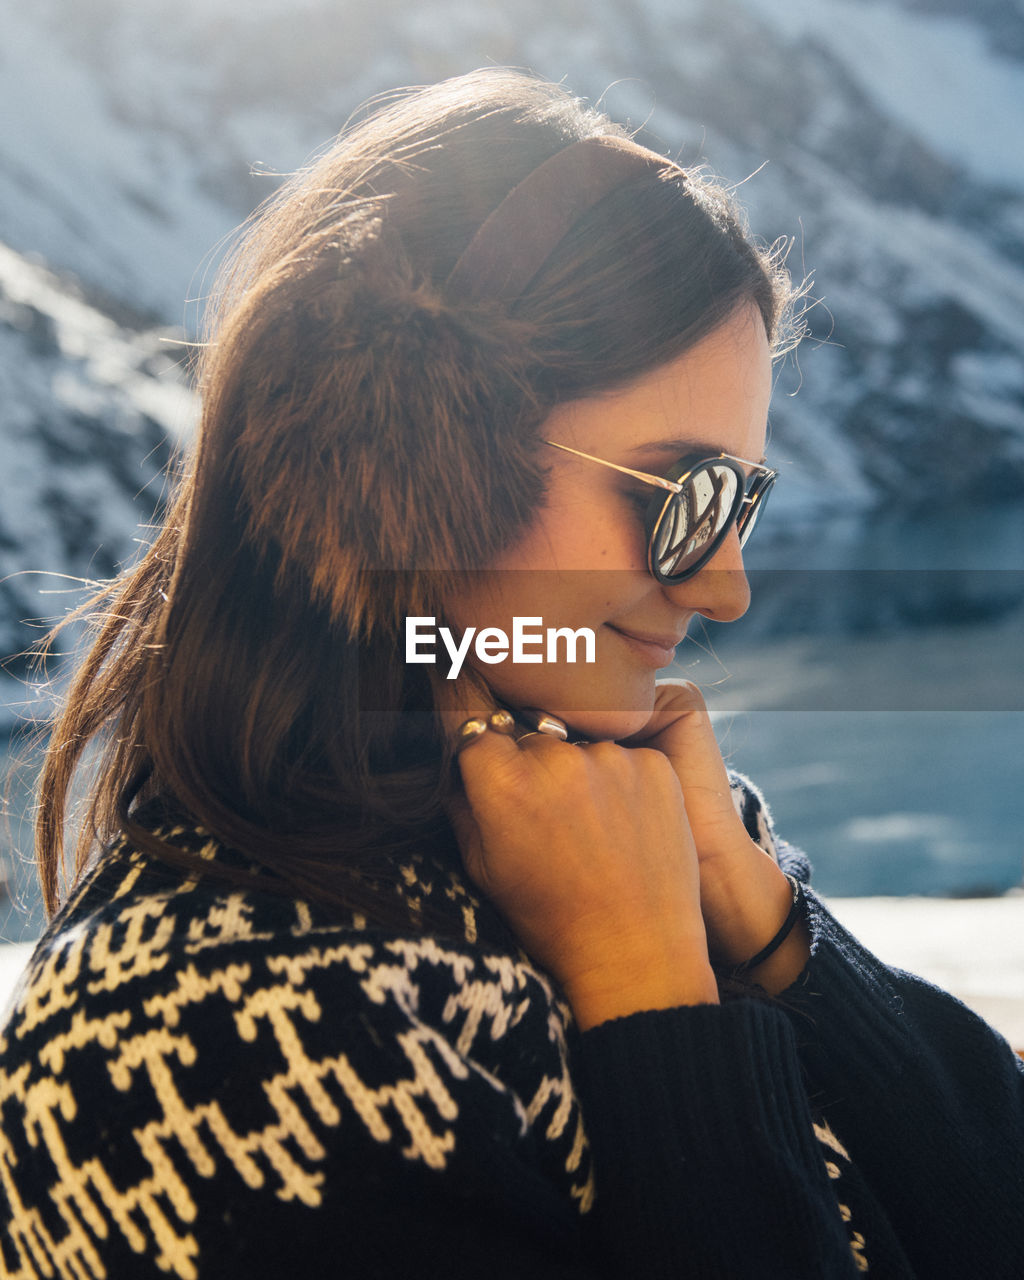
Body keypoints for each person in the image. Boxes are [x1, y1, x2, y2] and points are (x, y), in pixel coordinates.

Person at [0, 68, 1021, 1279]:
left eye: (741, 499)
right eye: (680, 495)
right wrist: (650, 1005)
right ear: (413, 454)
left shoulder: (631, 860)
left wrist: (770, 928)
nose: (724, 586)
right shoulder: (187, 1035)